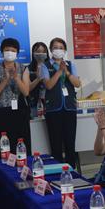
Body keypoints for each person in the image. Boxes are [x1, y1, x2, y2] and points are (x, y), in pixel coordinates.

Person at [41, 37, 81, 173]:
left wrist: (67, 72)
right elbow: (48, 85)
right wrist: (59, 71)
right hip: (53, 109)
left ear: (65, 50)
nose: (58, 50)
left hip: (69, 107)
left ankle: (71, 171)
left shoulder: (70, 64)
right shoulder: (45, 66)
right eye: (55, 47)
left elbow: (77, 84)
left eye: (61, 48)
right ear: (51, 50)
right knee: (56, 143)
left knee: (70, 142)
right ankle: (57, 172)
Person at [0, 37, 31, 152]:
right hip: (2, 113)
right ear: (2, 52)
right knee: (6, 147)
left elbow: (26, 92)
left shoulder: (23, 69)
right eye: (7, 50)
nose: (10, 53)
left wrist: (16, 78)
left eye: (13, 50)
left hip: (20, 112)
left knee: (22, 145)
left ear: (17, 53)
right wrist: (6, 80)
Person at [26, 41, 49, 117]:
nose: (40, 54)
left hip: (49, 102)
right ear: (33, 53)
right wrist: (38, 78)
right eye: (38, 52)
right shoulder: (28, 69)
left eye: (43, 52)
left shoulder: (51, 67)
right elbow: (28, 88)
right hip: (33, 102)